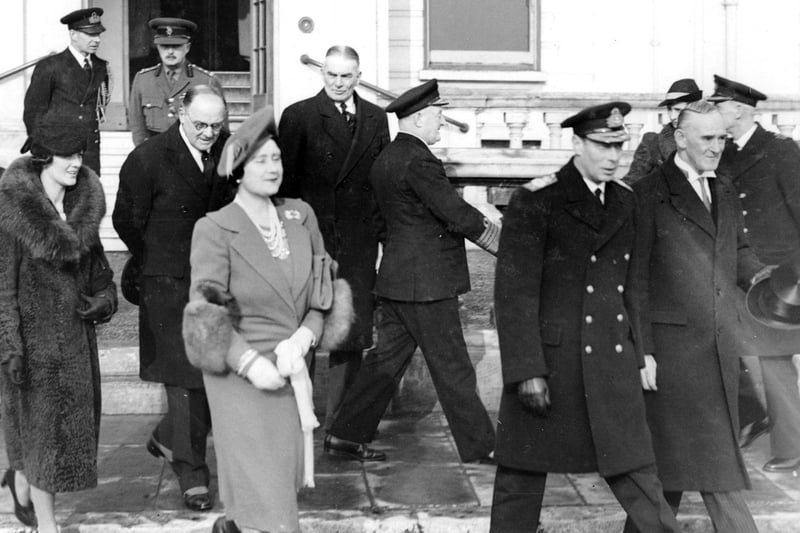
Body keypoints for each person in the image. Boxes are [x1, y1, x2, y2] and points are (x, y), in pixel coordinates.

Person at [491, 102, 680, 533]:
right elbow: (515, 293)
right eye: (602, 146)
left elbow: (634, 287)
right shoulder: (538, 199)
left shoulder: (626, 202)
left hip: (612, 362)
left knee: (637, 471)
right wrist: (525, 371)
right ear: (577, 144)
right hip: (552, 367)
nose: (614, 157)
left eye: (620, 145)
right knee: (520, 480)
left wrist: (642, 351)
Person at [182, 106, 351, 533]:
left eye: (276, 158)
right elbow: (205, 313)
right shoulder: (215, 228)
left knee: (273, 484)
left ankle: (235, 526)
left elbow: (323, 293)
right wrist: (249, 364)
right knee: (273, 498)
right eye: (261, 160)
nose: (273, 168)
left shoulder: (300, 216)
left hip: (292, 367)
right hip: (239, 375)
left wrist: (306, 339)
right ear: (238, 170)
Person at [324, 79, 499, 463]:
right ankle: (483, 445)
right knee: (453, 367)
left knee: (385, 362)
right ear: (418, 119)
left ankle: (345, 435)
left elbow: (381, 222)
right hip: (428, 284)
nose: (441, 122)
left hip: (399, 279)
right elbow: (455, 212)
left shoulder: (386, 159)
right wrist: (505, 246)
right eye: (438, 115)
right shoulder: (419, 161)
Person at [625, 100, 768, 532]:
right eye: (707, 138)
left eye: (722, 138)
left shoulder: (722, 186)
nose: (717, 147)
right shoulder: (648, 194)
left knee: (670, 475)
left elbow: (737, 250)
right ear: (681, 139)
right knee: (714, 471)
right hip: (672, 357)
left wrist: (767, 280)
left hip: (718, 348)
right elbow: (635, 281)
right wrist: (642, 352)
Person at [112, 85, 232, 512]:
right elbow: (125, 219)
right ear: (181, 114)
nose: (208, 133)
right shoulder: (148, 158)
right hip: (166, 284)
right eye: (200, 124)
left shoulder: (224, 155)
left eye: (216, 126)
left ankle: (167, 438)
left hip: (211, 282)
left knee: (215, 373)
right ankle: (192, 474)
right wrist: (157, 261)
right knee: (182, 379)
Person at [0, 117, 117, 533]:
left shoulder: (81, 209)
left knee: (51, 442)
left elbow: (104, 278)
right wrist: (9, 348)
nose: (76, 163)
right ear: (44, 157)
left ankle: (20, 482)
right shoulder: (12, 212)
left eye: (80, 154)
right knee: (43, 439)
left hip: (74, 346)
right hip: (30, 348)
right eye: (68, 155)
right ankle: (48, 526)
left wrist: (101, 302)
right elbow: (3, 289)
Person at [278, 45, 390, 429]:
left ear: (359, 76)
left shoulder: (376, 119)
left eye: (346, 76)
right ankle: (295, 419)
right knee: (303, 329)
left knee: (350, 332)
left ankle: (341, 426)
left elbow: (382, 183)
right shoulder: (299, 117)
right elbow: (285, 187)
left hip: (358, 244)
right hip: (312, 243)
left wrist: (383, 238)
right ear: (322, 74)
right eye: (332, 75)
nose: (339, 83)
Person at [712, 74, 800, 473]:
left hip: (779, 278)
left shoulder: (781, 151)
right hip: (737, 270)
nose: (714, 113)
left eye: (720, 106)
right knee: (730, 349)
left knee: (776, 360)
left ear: (740, 110)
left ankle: (792, 448)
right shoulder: (724, 153)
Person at [22, 8, 110, 176]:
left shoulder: (101, 67)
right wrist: (43, 150)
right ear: (73, 34)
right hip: (58, 153)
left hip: (89, 152)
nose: (97, 40)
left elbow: (97, 107)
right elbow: (33, 112)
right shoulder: (50, 66)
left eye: (98, 34)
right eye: (90, 35)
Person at [128, 17, 225, 147]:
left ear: (187, 47)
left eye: (176, 46)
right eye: (164, 46)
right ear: (157, 47)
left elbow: (220, 128)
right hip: (154, 154)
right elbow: (137, 126)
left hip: (192, 155)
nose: (170, 52)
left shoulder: (206, 81)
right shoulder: (143, 80)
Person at [624, 78, 702, 184]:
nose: (672, 116)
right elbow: (630, 184)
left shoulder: (713, 141)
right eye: (669, 109)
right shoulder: (652, 143)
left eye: (678, 110)